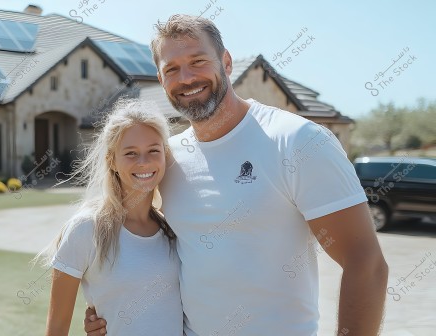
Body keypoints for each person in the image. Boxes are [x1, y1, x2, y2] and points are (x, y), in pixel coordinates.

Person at [85, 14, 388, 336]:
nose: (186, 78)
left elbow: (365, 263)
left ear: (226, 62)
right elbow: (146, 247)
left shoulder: (298, 141)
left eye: (198, 61)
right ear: (161, 80)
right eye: (171, 69)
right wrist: (112, 314)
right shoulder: (167, 158)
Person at [40, 98, 183, 336]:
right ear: (112, 161)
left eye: (153, 151)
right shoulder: (86, 229)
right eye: (130, 153)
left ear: (165, 155)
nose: (144, 162)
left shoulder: (174, 228)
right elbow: (56, 329)